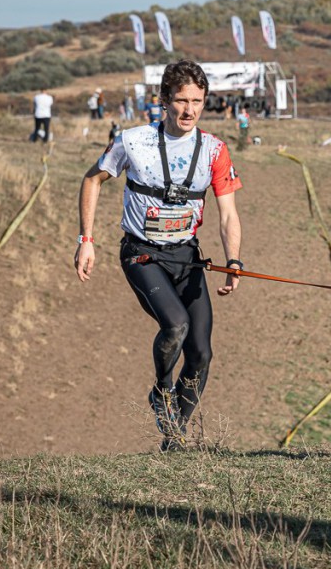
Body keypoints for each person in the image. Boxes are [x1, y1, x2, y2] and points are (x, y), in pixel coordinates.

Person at [74, 59, 244, 452]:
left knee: (201, 353)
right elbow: (92, 179)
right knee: (176, 326)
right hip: (141, 254)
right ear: (164, 100)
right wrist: (87, 238)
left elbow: (228, 213)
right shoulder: (132, 141)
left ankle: (175, 437)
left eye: (197, 101)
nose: (189, 110)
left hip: (186, 256)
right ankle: (162, 391)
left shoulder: (215, 150)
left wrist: (233, 261)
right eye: (181, 100)